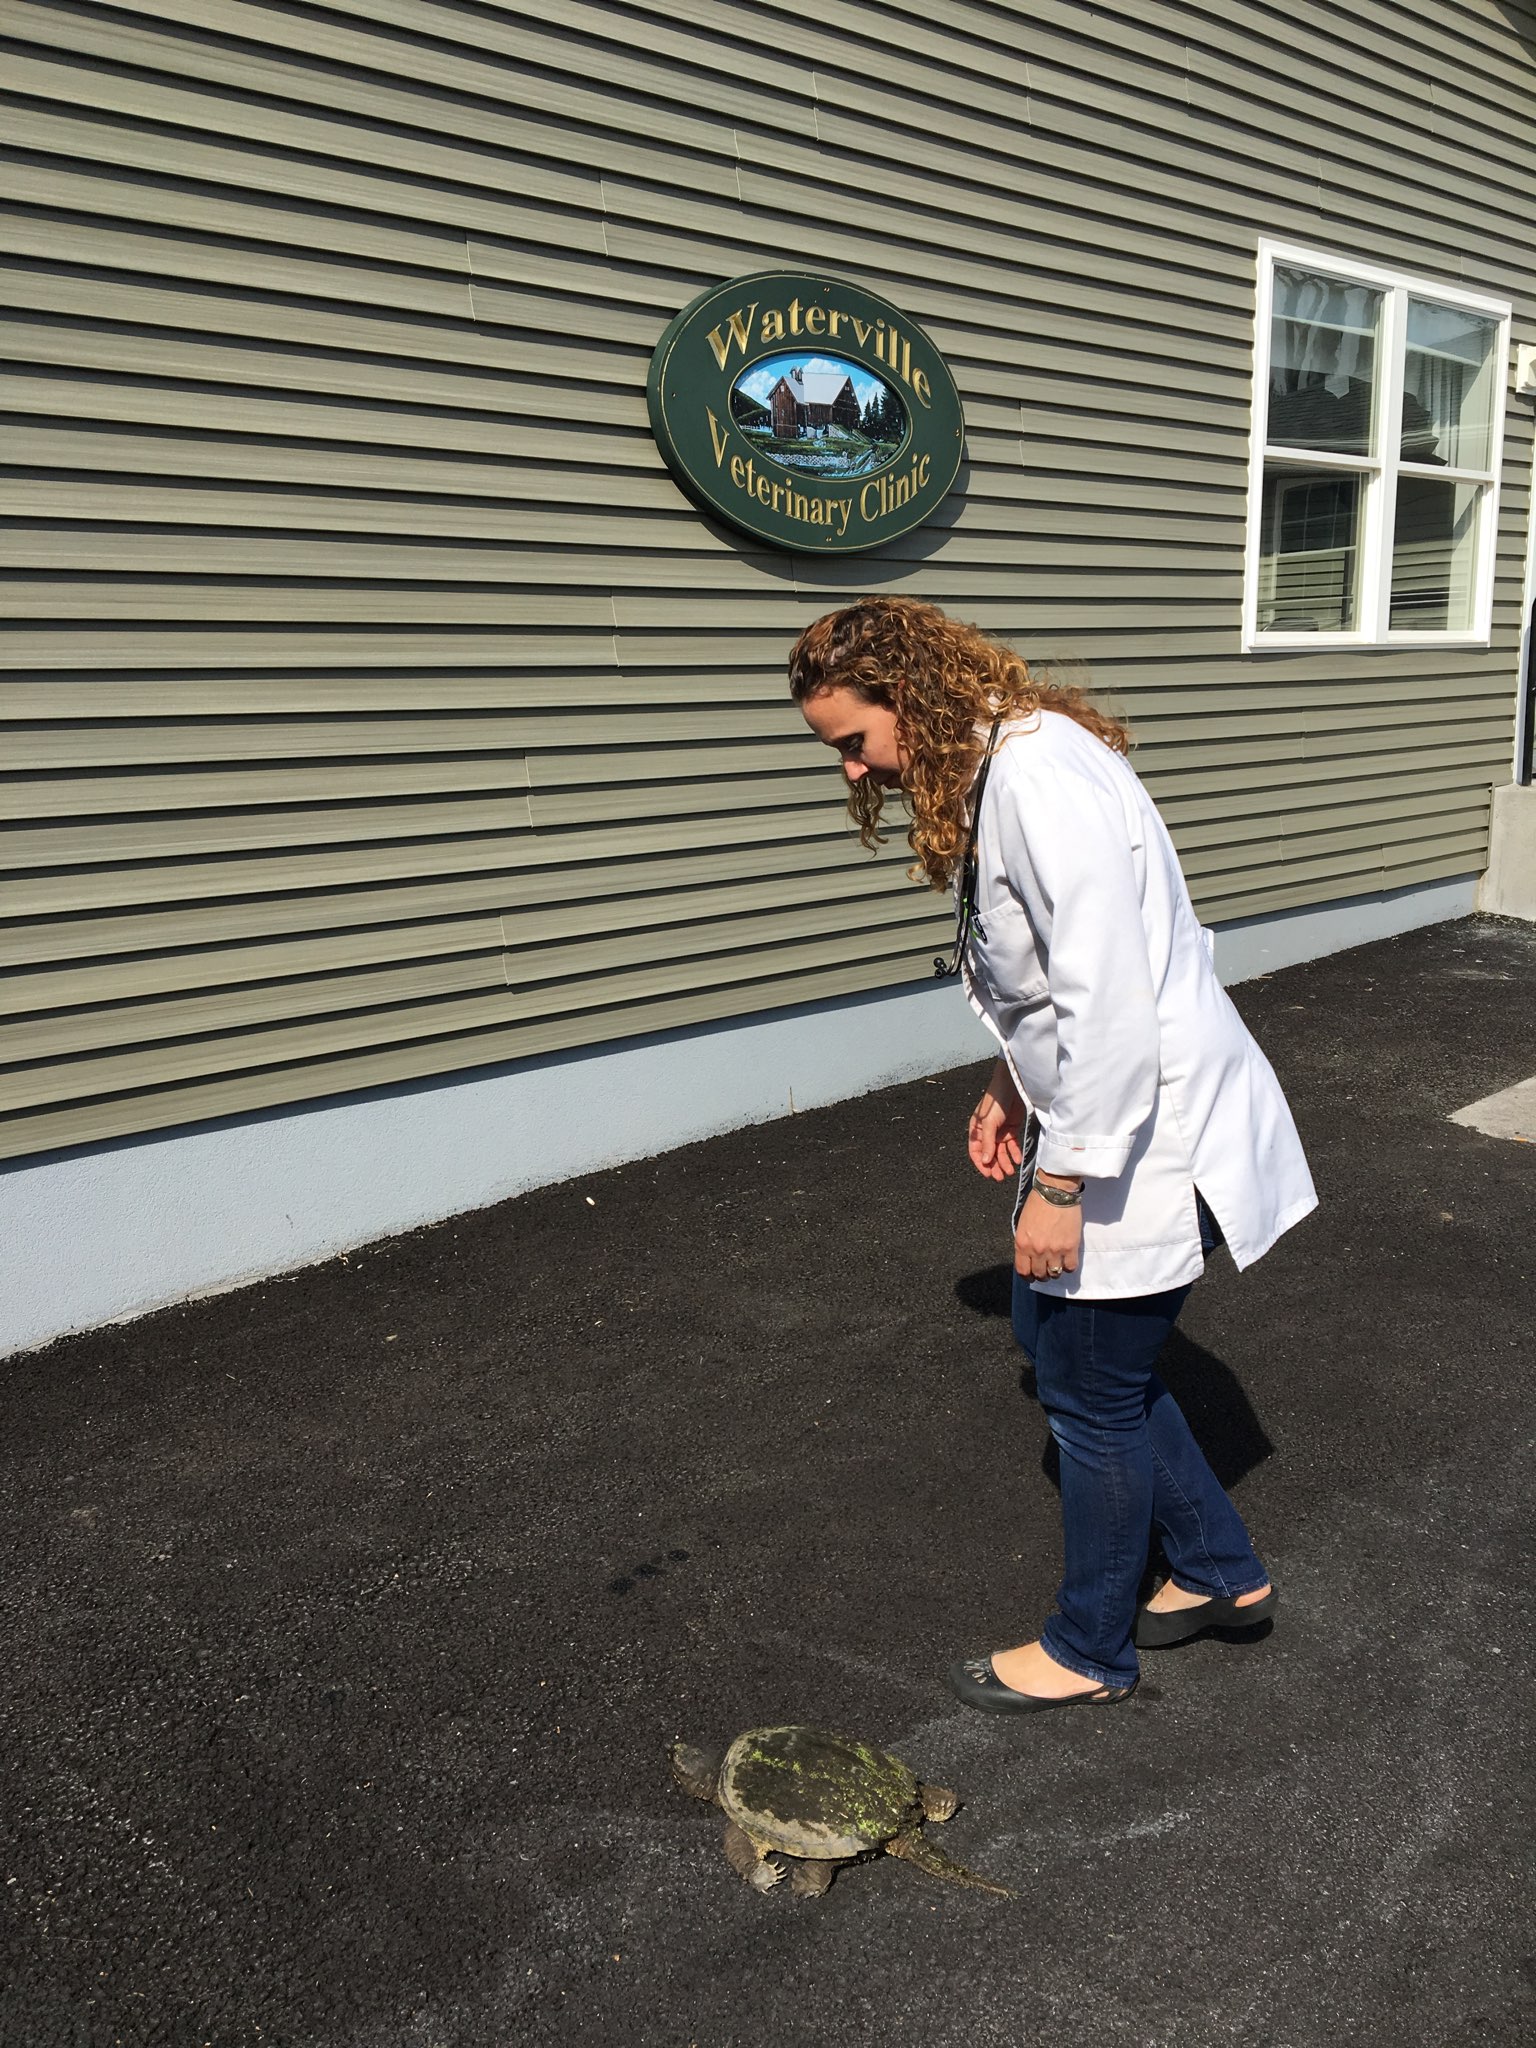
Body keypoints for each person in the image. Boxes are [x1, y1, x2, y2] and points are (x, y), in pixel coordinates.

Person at [789, 597, 1317, 1715]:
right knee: (1059, 1342)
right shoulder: (1007, 763)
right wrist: (1009, 1083)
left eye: (853, 741)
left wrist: (1064, 1180)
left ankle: (1088, 1647)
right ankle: (1222, 1570)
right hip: (1100, 1106)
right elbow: (1048, 978)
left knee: (1087, 1385)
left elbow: (1110, 998)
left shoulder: (1037, 778)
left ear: (908, 697)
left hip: (1144, 1127)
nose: (852, 772)